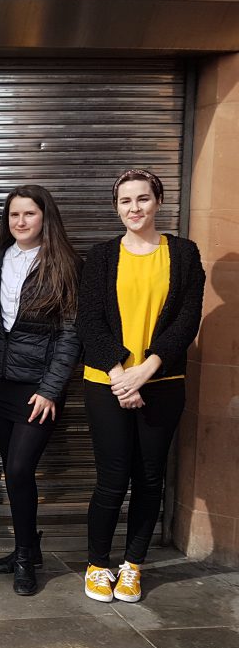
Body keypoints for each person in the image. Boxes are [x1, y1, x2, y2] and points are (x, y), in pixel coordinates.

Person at [79, 169, 204, 604]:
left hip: (162, 382)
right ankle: (97, 565)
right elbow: (88, 322)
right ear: (116, 207)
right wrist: (120, 377)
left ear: (159, 201)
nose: (134, 208)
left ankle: (132, 565)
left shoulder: (185, 254)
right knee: (112, 479)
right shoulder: (99, 257)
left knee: (150, 480)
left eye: (143, 199)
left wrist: (145, 370)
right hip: (106, 384)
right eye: (125, 201)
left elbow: (187, 321)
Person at [0, 185, 81, 596]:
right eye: (14, 215)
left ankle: (24, 558)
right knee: (13, 473)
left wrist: (51, 389)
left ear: (44, 217)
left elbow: (71, 334)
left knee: (19, 469)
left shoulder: (64, 263)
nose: (20, 222)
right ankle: (27, 549)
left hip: (37, 389)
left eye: (29, 214)